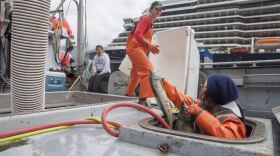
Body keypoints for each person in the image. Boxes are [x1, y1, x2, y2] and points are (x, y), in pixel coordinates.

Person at [161, 74, 246, 139]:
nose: (201, 89)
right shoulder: (213, 103)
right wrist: (163, 83)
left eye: (203, 87)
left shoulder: (230, 115)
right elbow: (185, 102)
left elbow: (233, 138)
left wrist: (200, 114)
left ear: (210, 93)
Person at [125, 1, 165, 106]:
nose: (158, 12)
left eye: (160, 10)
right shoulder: (146, 18)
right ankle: (142, 102)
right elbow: (138, 35)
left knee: (135, 75)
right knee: (148, 71)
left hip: (136, 49)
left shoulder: (150, 22)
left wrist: (148, 47)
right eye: (156, 9)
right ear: (151, 9)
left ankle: (127, 96)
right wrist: (149, 45)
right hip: (135, 48)